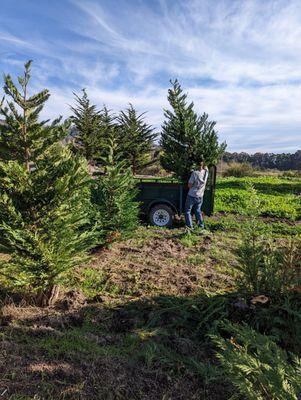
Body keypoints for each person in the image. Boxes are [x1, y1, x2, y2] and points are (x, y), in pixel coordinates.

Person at [185, 161, 209, 231]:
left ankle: (190, 227)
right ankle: (201, 226)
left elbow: (189, 185)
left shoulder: (195, 173)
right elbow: (207, 169)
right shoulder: (206, 172)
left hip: (192, 195)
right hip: (200, 195)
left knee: (187, 211)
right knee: (198, 210)